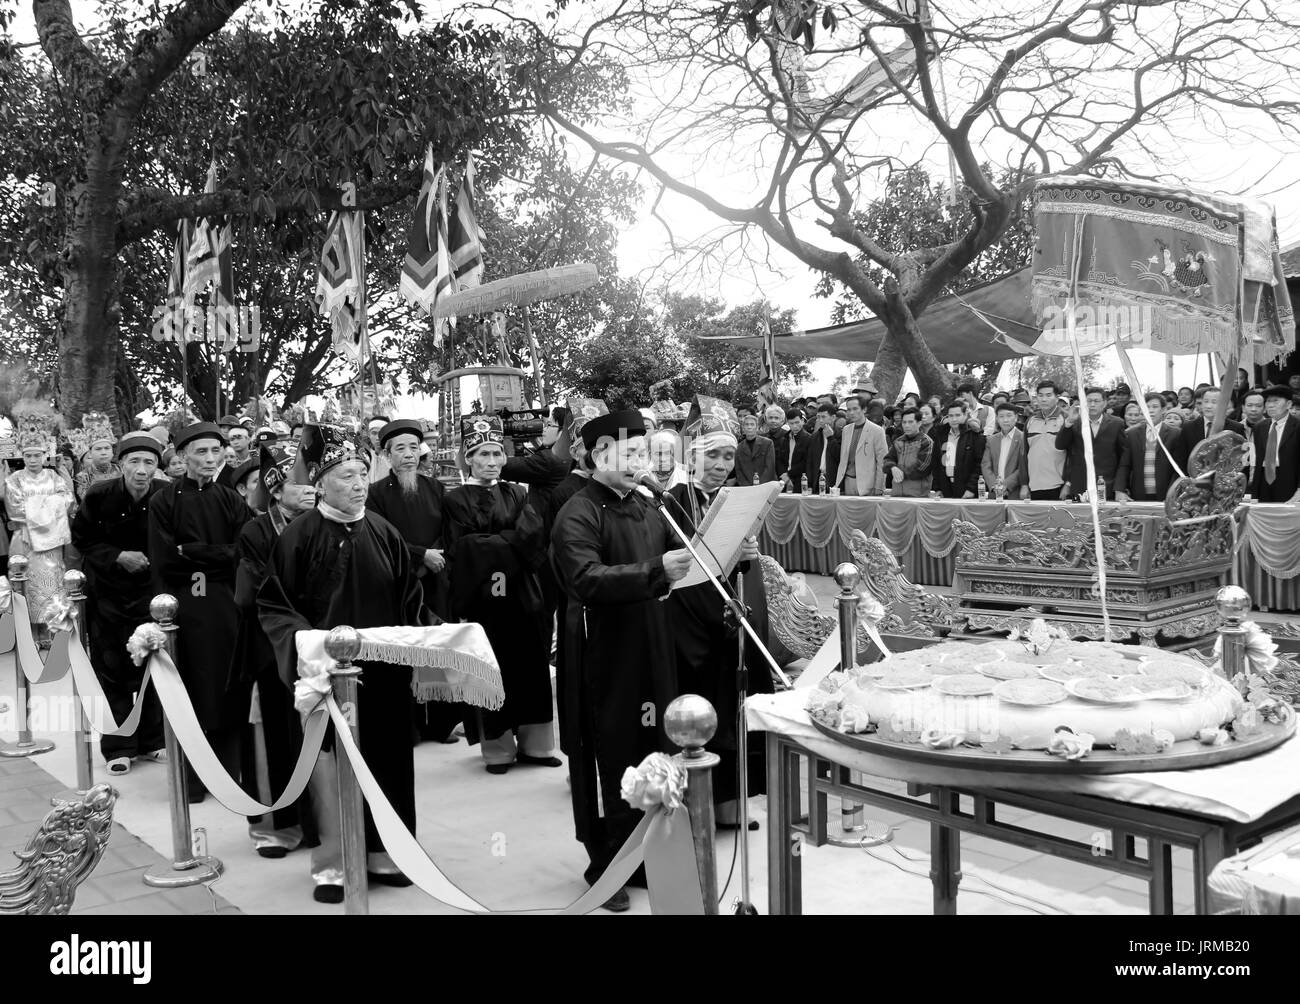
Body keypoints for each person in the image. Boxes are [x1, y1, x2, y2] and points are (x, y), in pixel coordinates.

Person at [257, 425, 424, 900]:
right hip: (325, 677)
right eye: (346, 475)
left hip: (383, 673)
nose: (357, 485)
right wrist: (306, 648)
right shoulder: (299, 536)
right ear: (321, 481)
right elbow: (275, 605)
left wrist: (434, 636)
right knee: (329, 764)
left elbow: (410, 598)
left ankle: (385, 853)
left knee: (388, 756)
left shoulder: (384, 531)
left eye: (361, 475)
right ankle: (332, 862)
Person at [550, 409, 689, 912]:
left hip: (650, 640)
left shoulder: (650, 506)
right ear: (595, 455)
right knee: (611, 747)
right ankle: (606, 863)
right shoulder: (579, 511)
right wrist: (656, 570)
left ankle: (647, 854)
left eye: (642, 453)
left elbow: (683, 558)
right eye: (627, 454)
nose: (638, 463)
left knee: (653, 743)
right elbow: (584, 578)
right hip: (602, 650)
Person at [667, 401, 772, 823]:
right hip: (690, 621)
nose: (721, 464)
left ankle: (731, 804)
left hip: (729, 616)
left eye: (728, 456)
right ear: (692, 455)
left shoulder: (733, 499)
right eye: (712, 455)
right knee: (701, 708)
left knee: (733, 711)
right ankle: (699, 806)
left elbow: (734, 562)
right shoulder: (673, 500)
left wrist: (747, 553)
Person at [442, 415, 558, 775]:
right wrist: (510, 542)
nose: (492, 461)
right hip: (484, 601)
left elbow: (533, 535)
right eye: (483, 455)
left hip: (523, 596)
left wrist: (496, 544)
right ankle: (498, 750)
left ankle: (536, 746)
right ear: (469, 458)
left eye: (496, 453)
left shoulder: (517, 492)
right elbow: (463, 548)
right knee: (492, 670)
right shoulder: (455, 499)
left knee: (530, 669)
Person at [147, 422, 250, 801]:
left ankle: (229, 773)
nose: (209, 459)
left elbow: (241, 553)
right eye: (201, 452)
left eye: (215, 451)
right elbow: (164, 561)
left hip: (225, 606)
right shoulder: (164, 501)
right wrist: (209, 557)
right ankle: (192, 778)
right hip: (184, 609)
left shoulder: (230, 499)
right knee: (190, 687)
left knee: (226, 685)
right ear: (182, 456)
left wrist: (193, 552)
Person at [231, 447, 318, 859]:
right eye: (299, 483)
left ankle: (319, 822)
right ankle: (275, 828)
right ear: (277, 490)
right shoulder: (255, 532)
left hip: (316, 644)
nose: (309, 490)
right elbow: (255, 594)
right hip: (270, 647)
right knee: (271, 735)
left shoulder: (323, 524)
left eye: (312, 481)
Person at [69, 432, 167, 773]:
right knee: (111, 671)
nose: (141, 470)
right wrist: (117, 556)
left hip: (150, 597)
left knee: (154, 667)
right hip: (107, 595)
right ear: (121, 463)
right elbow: (82, 538)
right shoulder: (99, 495)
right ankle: (118, 747)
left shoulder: (165, 496)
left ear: (157, 466)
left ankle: (154, 740)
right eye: (134, 462)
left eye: (149, 462)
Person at [365, 418, 458, 744]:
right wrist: (421, 556)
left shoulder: (436, 488)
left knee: (437, 647)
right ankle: (412, 726)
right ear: (387, 455)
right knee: (406, 653)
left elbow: (449, 530)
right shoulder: (375, 494)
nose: (408, 454)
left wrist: (437, 556)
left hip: (436, 581)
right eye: (400, 448)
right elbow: (380, 537)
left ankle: (441, 723)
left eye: (413, 448)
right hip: (399, 584)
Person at [7, 419, 73, 646]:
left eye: (37, 455)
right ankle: (31, 636)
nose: (33, 460)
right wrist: (47, 504)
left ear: (45, 455)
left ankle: (55, 633)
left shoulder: (54, 477)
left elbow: (67, 500)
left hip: (51, 543)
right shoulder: (14, 479)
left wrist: (36, 504)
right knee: (27, 585)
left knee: (53, 583)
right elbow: (15, 509)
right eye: (28, 456)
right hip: (26, 541)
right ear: (22, 456)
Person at [1055, 386, 1126, 500]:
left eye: (1096, 401)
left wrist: (1119, 488)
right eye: (1089, 401)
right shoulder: (1076, 422)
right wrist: (1068, 422)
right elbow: (1060, 445)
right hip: (1080, 486)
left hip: (1106, 485)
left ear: (1104, 403)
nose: (1092, 404)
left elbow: (1123, 458)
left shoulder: (1117, 424)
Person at [1116, 394, 1181, 502]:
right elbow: (1124, 465)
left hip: (1166, 494)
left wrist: (1173, 493)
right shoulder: (1132, 434)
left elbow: (1178, 469)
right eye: (1147, 407)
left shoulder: (1175, 434)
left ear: (1163, 410)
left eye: (1155, 407)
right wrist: (1119, 490)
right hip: (1138, 493)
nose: (1150, 410)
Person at [1174, 386, 1244, 472]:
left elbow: (1240, 458)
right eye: (1205, 401)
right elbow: (1180, 459)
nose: (1208, 406)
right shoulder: (1188, 427)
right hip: (1195, 480)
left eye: (1214, 402)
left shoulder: (1236, 428)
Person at [1251, 385, 1300, 503]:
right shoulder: (1260, 427)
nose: (1270, 405)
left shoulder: (1297, 426)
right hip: (1264, 482)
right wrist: (1253, 493)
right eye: (1268, 401)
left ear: (1288, 404)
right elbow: (1256, 460)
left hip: (1289, 481)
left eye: (1275, 401)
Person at [833, 394, 887, 496]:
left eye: (855, 409)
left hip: (868, 484)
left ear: (864, 409)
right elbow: (843, 459)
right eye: (848, 410)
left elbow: (882, 461)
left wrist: (879, 487)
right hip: (847, 481)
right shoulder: (846, 430)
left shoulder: (877, 431)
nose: (851, 413)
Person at [1024, 381, 1069, 500]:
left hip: (1059, 486)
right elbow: (1024, 454)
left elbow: (1074, 454)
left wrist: (1069, 483)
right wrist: (1024, 484)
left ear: (1057, 398)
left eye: (1049, 395)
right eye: (1040, 395)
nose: (1044, 399)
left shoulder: (1066, 419)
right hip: (1034, 486)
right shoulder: (1031, 420)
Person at [931, 400, 985, 499]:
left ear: (965, 415)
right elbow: (936, 463)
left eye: (957, 415)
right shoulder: (941, 434)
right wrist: (937, 488)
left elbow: (979, 465)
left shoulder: (975, 436)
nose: (954, 419)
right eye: (950, 416)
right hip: (945, 489)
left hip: (967, 490)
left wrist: (971, 489)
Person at [981, 402, 1030, 499]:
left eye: (1009, 416)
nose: (1005, 420)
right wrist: (994, 486)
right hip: (994, 492)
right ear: (997, 419)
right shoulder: (991, 440)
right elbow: (985, 465)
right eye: (1001, 416)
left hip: (1015, 491)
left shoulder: (1023, 438)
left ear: (1016, 417)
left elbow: (1023, 466)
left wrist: (1006, 484)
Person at [884, 408, 934, 497]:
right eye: (904, 422)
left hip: (919, 495)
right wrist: (892, 467)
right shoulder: (898, 441)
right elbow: (887, 460)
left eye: (910, 422)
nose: (906, 425)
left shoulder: (926, 442)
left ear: (919, 423)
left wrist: (900, 472)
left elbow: (923, 468)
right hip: (897, 493)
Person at [73, 414, 120, 504]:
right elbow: (89, 502)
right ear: (90, 453)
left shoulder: (123, 470)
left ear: (112, 452)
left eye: (107, 448)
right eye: (98, 449)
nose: (103, 452)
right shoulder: (83, 477)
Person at [803, 403, 840, 493]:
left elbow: (839, 457)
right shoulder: (814, 437)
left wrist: (831, 438)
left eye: (823, 417)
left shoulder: (841, 434)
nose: (820, 420)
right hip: (817, 478)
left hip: (834, 479)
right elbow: (810, 462)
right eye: (818, 417)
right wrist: (809, 484)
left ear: (833, 417)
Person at [733, 413, 776, 484]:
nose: (749, 427)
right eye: (746, 424)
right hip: (747, 487)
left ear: (757, 427)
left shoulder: (767, 443)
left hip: (767, 484)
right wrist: (747, 486)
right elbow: (739, 471)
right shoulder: (739, 447)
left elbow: (770, 467)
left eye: (752, 424)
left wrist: (760, 485)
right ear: (743, 427)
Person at [775, 408, 811, 492]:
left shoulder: (809, 439)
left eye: (797, 422)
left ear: (802, 420)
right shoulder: (784, 438)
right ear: (787, 423)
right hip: (783, 479)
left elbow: (806, 462)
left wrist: (789, 474)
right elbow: (779, 460)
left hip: (800, 479)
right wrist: (785, 476)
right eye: (791, 423)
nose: (794, 426)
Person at [647, 427, 690, 492]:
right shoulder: (644, 477)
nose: (663, 459)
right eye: (658, 454)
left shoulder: (687, 477)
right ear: (650, 455)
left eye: (667, 453)